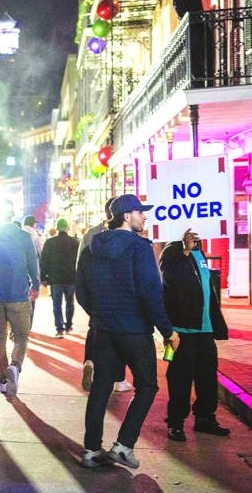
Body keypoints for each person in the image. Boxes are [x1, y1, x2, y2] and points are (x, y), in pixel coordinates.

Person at [76, 194, 179, 470]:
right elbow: (150, 292)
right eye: (139, 212)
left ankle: (91, 450)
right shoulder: (139, 247)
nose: (144, 217)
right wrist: (167, 330)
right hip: (134, 330)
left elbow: (82, 291)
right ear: (125, 216)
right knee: (147, 385)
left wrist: (100, 314)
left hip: (103, 328)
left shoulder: (91, 247)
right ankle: (123, 446)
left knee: (100, 388)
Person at [160, 228, 230, 441]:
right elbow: (171, 281)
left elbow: (207, 288)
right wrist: (185, 252)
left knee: (207, 376)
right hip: (181, 331)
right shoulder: (172, 251)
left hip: (205, 329)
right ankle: (176, 423)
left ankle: (205, 418)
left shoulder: (199, 251)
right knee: (179, 378)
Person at [0, 204, 39, 399]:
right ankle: (15, 365)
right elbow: (33, 263)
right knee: (21, 336)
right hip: (18, 295)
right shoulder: (23, 236)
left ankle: (3, 379)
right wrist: (36, 284)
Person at [78, 197, 133, 393]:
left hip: (95, 293)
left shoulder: (91, 234)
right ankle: (118, 378)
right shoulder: (126, 237)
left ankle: (90, 361)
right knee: (118, 337)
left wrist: (86, 300)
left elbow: (80, 267)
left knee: (95, 329)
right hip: (119, 297)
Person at [174, 0, 214, 86]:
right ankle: (199, 82)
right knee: (196, 57)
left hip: (202, 28)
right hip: (193, 31)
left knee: (207, 53)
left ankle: (210, 80)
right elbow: (181, 13)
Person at [40, 218, 79, 338]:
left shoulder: (49, 242)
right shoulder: (74, 242)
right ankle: (69, 325)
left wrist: (44, 278)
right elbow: (79, 261)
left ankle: (59, 328)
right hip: (71, 277)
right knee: (70, 302)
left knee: (57, 304)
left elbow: (44, 261)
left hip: (55, 278)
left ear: (57, 228)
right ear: (67, 228)